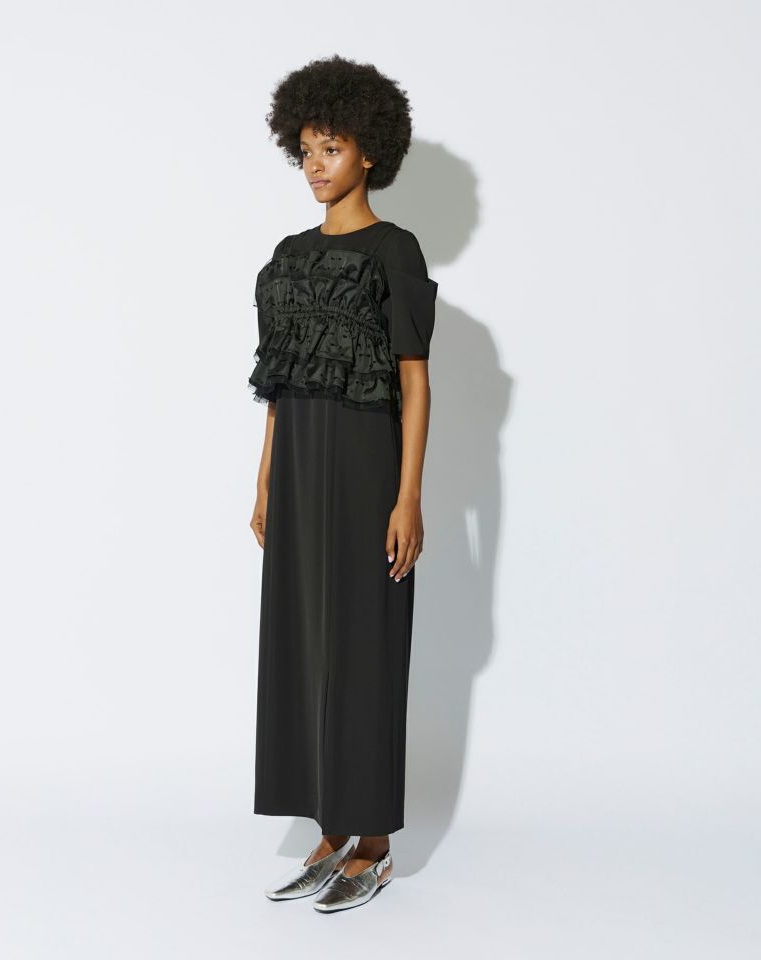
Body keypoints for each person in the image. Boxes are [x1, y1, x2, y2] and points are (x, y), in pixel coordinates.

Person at [248, 54, 438, 913]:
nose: (316, 164)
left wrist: (408, 497)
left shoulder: (394, 251)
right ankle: (328, 832)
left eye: (331, 147)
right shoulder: (288, 256)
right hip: (298, 469)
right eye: (306, 151)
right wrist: (264, 485)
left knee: (365, 646)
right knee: (303, 643)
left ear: (370, 150)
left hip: (366, 468)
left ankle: (376, 845)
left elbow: (415, 383)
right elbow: (279, 383)